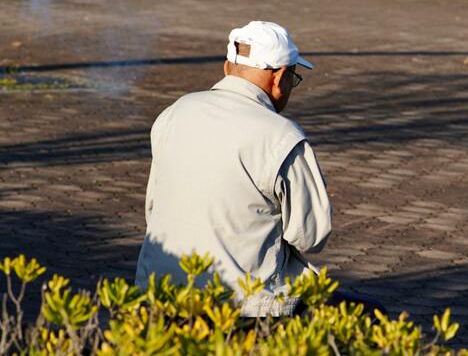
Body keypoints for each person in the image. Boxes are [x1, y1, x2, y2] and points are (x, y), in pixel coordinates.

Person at [135, 21, 384, 317]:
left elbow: (152, 209)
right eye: (294, 76)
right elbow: (311, 236)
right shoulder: (282, 136)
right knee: (370, 313)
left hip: (157, 288)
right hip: (244, 305)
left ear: (229, 67)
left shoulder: (173, 112)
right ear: (279, 77)